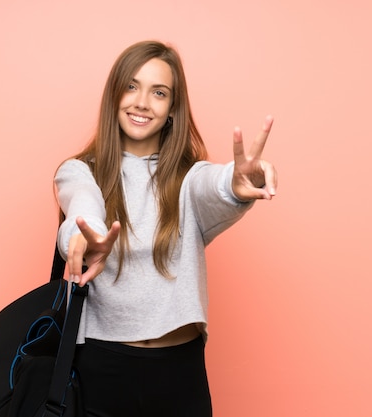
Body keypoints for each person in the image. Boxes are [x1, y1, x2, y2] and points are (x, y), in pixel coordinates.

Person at [54, 40, 277, 417]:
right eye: (131, 86)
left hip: (179, 372)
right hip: (100, 367)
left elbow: (212, 183)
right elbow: (81, 202)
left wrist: (234, 181)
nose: (142, 102)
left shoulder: (188, 179)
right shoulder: (79, 170)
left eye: (159, 92)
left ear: (173, 108)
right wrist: (84, 236)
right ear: (113, 95)